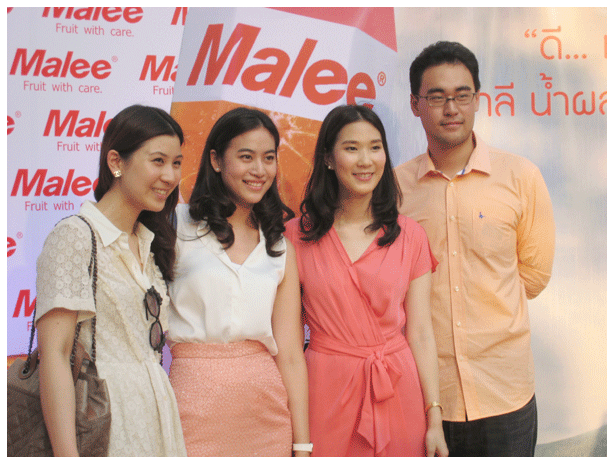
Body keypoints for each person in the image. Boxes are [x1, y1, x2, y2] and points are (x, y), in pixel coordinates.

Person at [394, 41, 556, 457]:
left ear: (477, 100)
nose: (451, 109)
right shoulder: (394, 189)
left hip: (505, 392)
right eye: (436, 97)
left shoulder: (520, 177)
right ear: (415, 105)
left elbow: (534, 275)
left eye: (462, 95)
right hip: (427, 395)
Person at [285, 104, 448, 457]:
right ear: (328, 159)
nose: (365, 160)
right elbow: (289, 346)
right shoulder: (294, 237)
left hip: (398, 389)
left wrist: (434, 416)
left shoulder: (411, 236)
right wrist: (299, 441)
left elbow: (421, 332)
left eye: (375, 147)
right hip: (325, 390)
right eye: (351, 148)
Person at [35, 104, 187, 456]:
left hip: (156, 417)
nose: (170, 176)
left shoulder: (150, 241)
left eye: (177, 163)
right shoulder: (75, 236)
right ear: (116, 162)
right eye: (158, 161)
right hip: (102, 420)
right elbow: (55, 355)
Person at [167, 107, 310, 457]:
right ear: (216, 160)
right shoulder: (176, 225)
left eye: (268, 158)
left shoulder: (279, 248)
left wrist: (302, 445)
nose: (259, 170)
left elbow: (291, 355)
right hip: (191, 406)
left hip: (266, 415)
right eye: (246, 157)